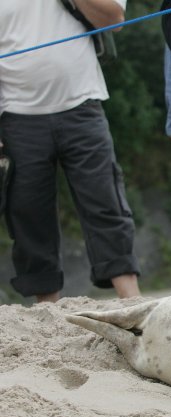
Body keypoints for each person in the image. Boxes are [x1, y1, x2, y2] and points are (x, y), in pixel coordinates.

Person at [0, 0, 141, 303]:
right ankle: (48, 311)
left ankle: (132, 301)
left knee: (106, 202)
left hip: (83, 104)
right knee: (27, 212)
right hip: (15, 114)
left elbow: (114, 18)